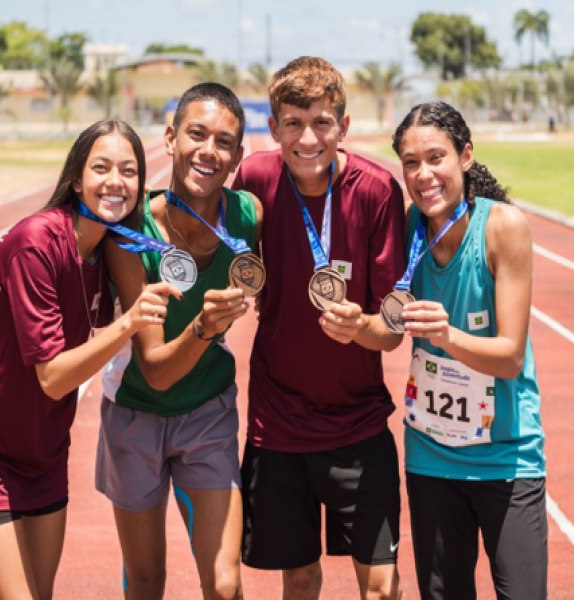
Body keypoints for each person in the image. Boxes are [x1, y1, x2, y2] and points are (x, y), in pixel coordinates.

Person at [0, 119, 177, 600]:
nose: (116, 181)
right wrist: (128, 324)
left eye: (129, 171)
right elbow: (52, 378)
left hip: (43, 448)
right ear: (76, 179)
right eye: (102, 167)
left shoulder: (109, 251)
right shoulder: (36, 244)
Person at [232, 56, 406, 599]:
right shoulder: (256, 177)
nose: (308, 138)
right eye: (293, 123)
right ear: (274, 128)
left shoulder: (376, 190)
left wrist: (363, 328)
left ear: (344, 127)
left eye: (322, 123)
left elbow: (394, 327)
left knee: (380, 587)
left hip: (357, 421)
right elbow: (239, 265)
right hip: (278, 420)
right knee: (300, 581)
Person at [96, 82, 262, 599]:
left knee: (225, 583)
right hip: (135, 413)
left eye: (224, 141)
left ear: (237, 157)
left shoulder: (248, 215)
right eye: (197, 134)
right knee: (146, 582)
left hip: (207, 410)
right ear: (169, 138)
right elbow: (157, 370)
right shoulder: (130, 232)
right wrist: (206, 327)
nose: (208, 151)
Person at [391, 101, 547, 599]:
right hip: (430, 455)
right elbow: (386, 322)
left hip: (506, 455)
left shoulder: (503, 227)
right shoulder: (408, 228)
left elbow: (510, 356)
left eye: (435, 157)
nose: (423, 174)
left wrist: (445, 336)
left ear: (465, 156)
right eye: (410, 163)